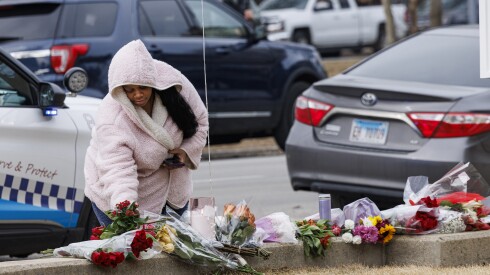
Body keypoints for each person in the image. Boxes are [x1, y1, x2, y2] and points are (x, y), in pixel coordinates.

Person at [84, 39, 209, 226]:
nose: (138, 95)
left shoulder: (175, 83)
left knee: (177, 250)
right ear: (120, 89)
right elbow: (118, 171)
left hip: (174, 189)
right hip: (119, 190)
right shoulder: (112, 118)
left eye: (143, 87)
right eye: (130, 90)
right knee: (135, 252)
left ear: (153, 81)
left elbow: (201, 121)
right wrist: (125, 212)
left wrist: (185, 150)